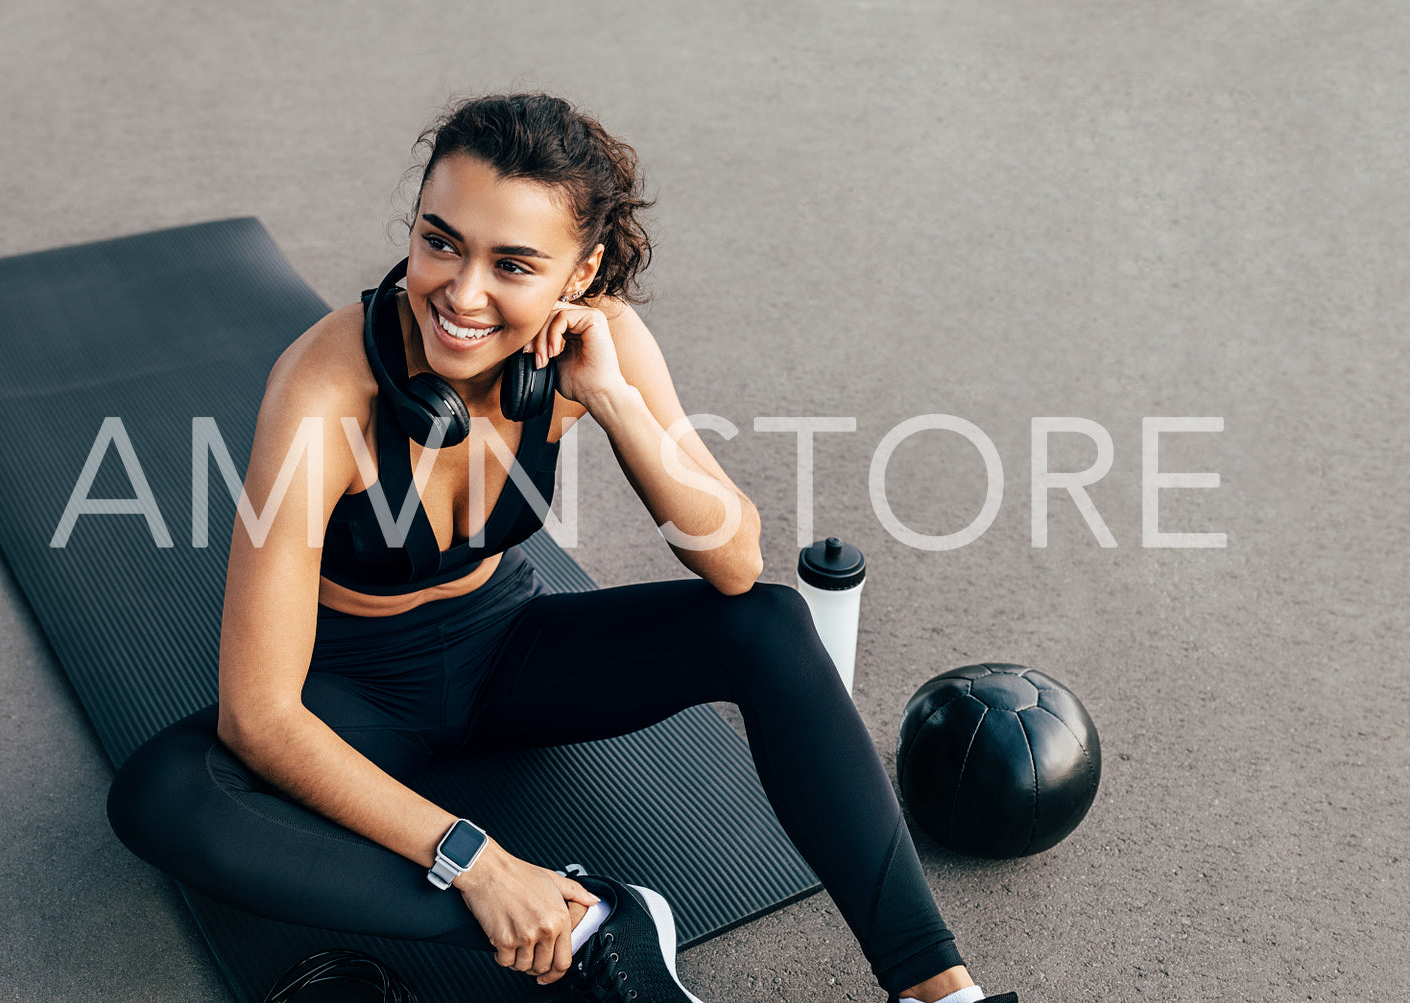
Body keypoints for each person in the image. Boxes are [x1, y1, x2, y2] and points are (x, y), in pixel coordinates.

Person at [107, 93, 1016, 1003]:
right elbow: (259, 717)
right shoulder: (322, 389)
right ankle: (587, 924)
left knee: (768, 624)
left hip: (507, 653)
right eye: (440, 242)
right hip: (351, 690)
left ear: (577, 275)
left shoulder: (601, 344)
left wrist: (612, 400)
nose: (462, 294)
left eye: (513, 264)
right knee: (161, 796)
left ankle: (938, 990)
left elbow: (734, 561)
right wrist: (476, 861)